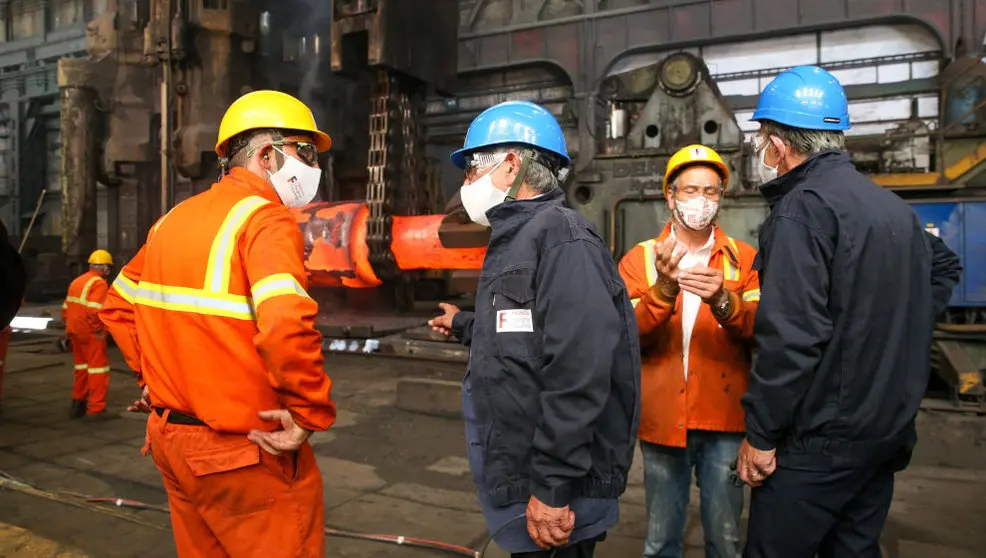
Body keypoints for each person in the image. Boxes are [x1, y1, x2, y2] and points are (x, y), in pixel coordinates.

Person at [99, 90, 336, 558]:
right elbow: (286, 323)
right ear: (266, 155)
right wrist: (309, 412)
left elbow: (116, 304)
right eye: (305, 151)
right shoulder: (265, 220)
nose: (313, 165)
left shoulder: (171, 220)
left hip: (171, 442)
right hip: (240, 452)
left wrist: (152, 377)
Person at [738, 65, 963, 558]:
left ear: (777, 145)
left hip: (819, 445)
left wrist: (762, 434)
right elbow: (945, 265)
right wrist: (902, 320)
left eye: (761, 141)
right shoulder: (890, 207)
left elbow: (791, 339)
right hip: (886, 432)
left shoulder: (801, 211)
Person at [428, 100, 641, 558]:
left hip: (556, 495)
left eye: (472, 169)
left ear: (511, 165)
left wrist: (552, 487)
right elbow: (525, 334)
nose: (467, 183)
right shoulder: (521, 238)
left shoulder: (562, 239)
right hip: (529, 482)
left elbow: (579, 371)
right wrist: (462, 323)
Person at [617, 144, 759, 558]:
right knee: (660, 541)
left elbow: (763, 330)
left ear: (721, 197)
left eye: (711, 191)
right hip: (663, 419)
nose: (701, 200)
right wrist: (662, 290)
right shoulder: (641, 259)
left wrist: (724, 301)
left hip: (725, 420)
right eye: (691, 190)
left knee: (726, 540)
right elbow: (627, 335)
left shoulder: (744, 259)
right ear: (671, 196)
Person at [62, 250, 114, 420]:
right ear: (104, 268)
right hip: (90, 333)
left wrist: (70, 327)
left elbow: (65, 308)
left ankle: (78, 404)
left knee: (81, 368)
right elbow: (94, 310)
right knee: (98, 369)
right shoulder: (99, 284)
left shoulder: (77, 281)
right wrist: (98, 329)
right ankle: (96, 408)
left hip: (74, 331)